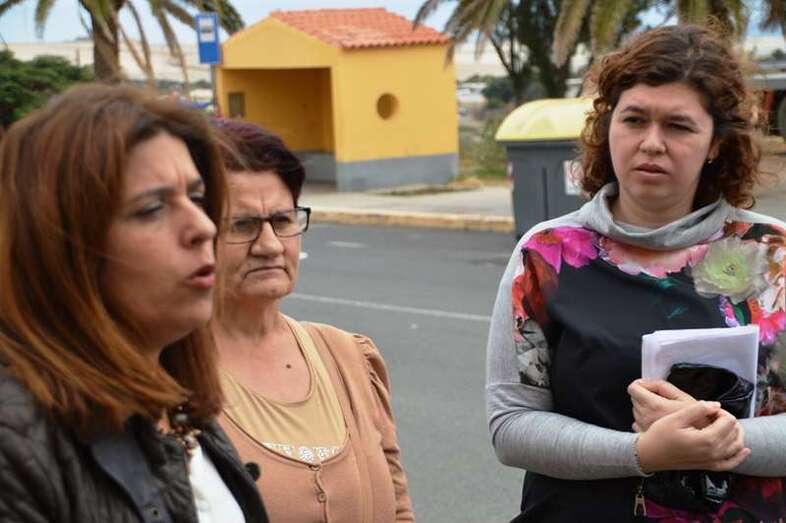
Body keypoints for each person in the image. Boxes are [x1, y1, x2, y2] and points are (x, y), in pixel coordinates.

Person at [486, 24, 786, 522]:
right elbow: (511, 425)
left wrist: (723, 437)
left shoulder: (773, 253)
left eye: (679, 126)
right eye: (634, 119)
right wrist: (642, 452)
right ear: (608, 127)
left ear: (715, 144)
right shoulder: (546, 254)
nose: (651, 143)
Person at [0, 84, 268, 522]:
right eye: (152, 208)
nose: (203, 227)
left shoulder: (178, 405)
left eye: (197, 198)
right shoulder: (15, 441)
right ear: (63, 249)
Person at [211, 119, 415, 522]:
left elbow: (398, 510)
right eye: (242, 225)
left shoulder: (348, 357)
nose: (270, 245)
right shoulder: (164, 375)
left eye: (283, 221)